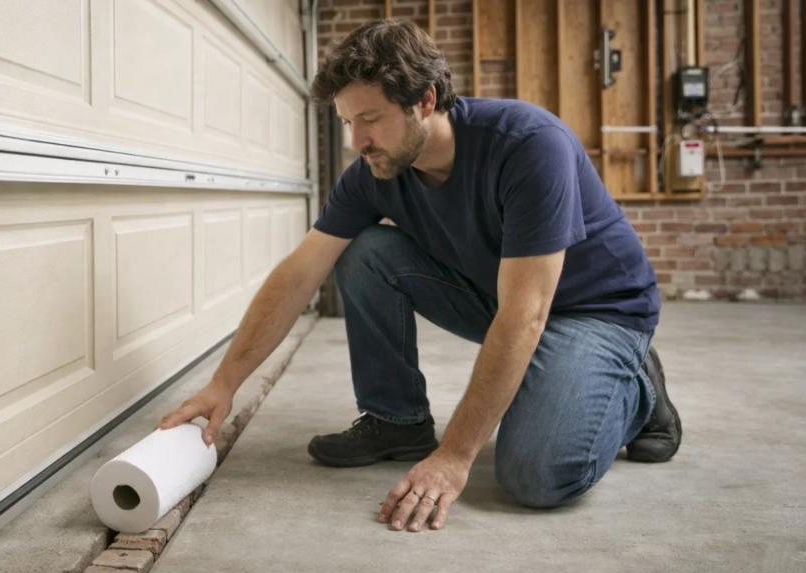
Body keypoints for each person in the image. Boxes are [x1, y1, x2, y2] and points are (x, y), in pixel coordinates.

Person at [159, 19, 681, 533]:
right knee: (364, 251)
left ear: (425, 101)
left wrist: (454, 457)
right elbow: (300, 273)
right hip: (498, 296)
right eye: (347, 123)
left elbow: (526, 315)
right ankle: (396, 423)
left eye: (371, 118)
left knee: (536, 477)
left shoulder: (527, 145)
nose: (357, 140)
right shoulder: (373, 172)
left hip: (594, 310)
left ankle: (635, 387)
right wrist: (224, 383)